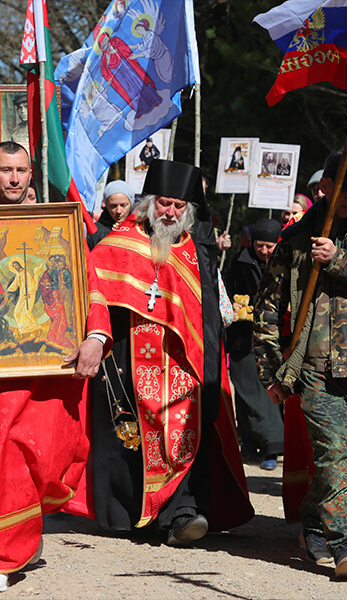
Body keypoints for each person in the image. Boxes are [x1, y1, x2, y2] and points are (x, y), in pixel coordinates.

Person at [0, 141, 112, 593]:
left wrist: (95, 336)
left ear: (32, 175)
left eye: (21, 170)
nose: (14, 178)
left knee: (46, 459)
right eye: (5, 170)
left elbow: (89, 285)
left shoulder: (60, 227)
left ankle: (23, 537)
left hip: (54, 369)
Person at [253, 150, 347, 577]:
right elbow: (267, 310)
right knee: (334, 451)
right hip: (314, 367)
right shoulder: (295, 239)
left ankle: (314, 523)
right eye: (343, 191)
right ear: (323, 188)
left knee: (343, 457)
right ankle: (346, 542)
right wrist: (270, 372)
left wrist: (336, 258)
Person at [86, 159, 254, 547]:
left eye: (179, 206)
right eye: (164, 204)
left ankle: (182, 515)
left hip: (182, 363)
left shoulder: (195, 250)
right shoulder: (117, 242)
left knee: (184, 434)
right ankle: (133, 516)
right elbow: (95, 297)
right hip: (130, 358)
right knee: (133, 435)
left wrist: (210, 365)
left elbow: (208, 310)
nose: (171, 212)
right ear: (148, 204)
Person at [223, 219, 284, 469]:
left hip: (273, 338)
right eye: (260, 245)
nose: (264, 251)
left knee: (267, 393)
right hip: (242, 337)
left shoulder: (284, 263)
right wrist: (236, 308)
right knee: (246, 392)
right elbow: (225, 291)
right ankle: (249, 445)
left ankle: (272, 445)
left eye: (270, 246)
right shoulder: (237, 262)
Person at [87, 179, 133, 248]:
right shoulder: (95, 231)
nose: (118, 211)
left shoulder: (140, 229)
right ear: (106, 205)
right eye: (113, 206)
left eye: (123, 205)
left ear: (130, 204)